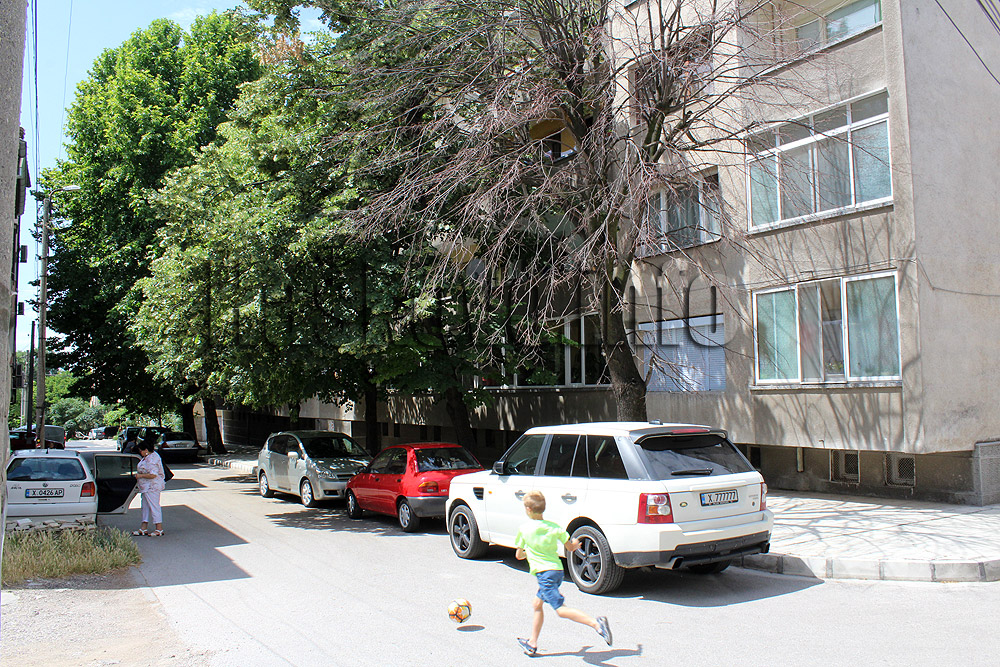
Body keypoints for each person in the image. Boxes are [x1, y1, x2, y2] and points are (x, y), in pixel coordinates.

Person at [514, 490, 611, 656]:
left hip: (544, 575)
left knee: (560, 610)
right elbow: (571, 547)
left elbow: (519, 555)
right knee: (537, 604)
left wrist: (528, 552)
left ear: (528, 509)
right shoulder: (554, 528)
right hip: (557, 572)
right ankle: (532, 643)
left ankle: (596, 624)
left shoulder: (524, 529)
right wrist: (576, 544)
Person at [133, 442, 166, 537]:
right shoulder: (148, 457)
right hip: (145, 487)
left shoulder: (152, 460)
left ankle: (159, 528)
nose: (140, 452)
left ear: (146, 450)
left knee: (154, 506)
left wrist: (140, 476)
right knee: (145, 507)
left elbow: (153, 474)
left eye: (141, 450)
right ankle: (144, 527)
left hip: (152, 486)